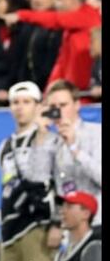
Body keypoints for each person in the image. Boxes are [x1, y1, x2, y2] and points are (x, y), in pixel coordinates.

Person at [0, 81, 60, 261]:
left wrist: (56, 223)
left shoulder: (48, 140)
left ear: (38, 106)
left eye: (26, 102)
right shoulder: (5, 146)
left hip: (37, 226)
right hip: (10, 230)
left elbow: (57, 182)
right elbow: (7, 188)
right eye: (15, 102)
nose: (20, 107)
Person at [44, 80, 102, 226]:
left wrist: (74, 148)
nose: (58, 112)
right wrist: (40, 134)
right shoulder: (50, 141)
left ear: (77, 105)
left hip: (97, 221)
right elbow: (40, 182)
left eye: (63, 105)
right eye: (53, 107)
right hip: (68, 226)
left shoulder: (96, 133)